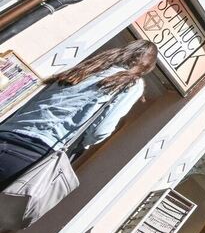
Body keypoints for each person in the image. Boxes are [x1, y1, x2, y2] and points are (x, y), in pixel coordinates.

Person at [0, 39, 158, 189]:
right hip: (35, 149)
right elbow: (99, 131)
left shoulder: (88, 68)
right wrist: (83, 143)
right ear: (146, 66)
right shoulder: (132, 83)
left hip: (7, 132)